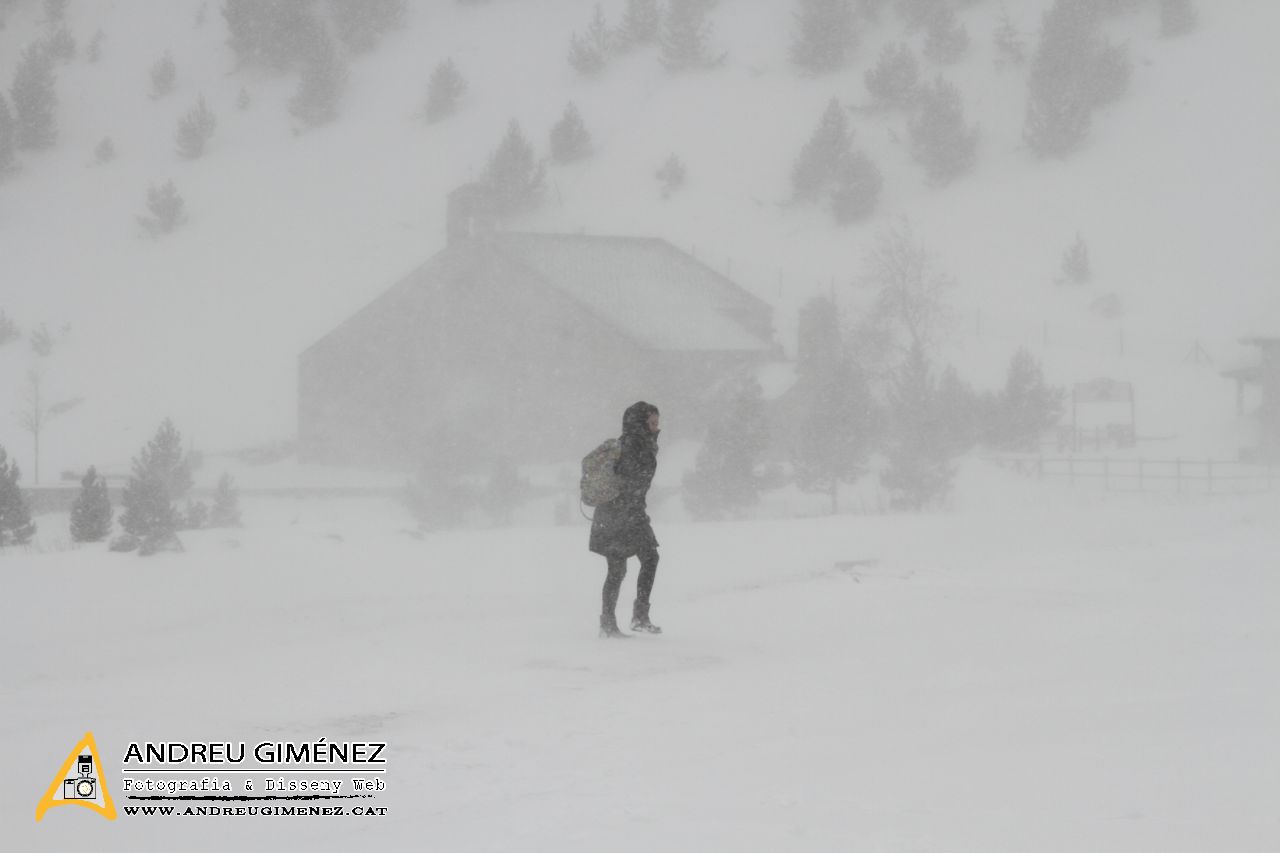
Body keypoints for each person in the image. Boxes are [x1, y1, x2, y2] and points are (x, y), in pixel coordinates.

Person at [589, 401, 662, 638]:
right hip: (618, 516)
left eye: (657, 423)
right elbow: (631, 483)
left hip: (626, 514)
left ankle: (632, 618)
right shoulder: (633, 448)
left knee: (646, 559)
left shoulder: (639, 445)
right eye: (652, 423)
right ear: (641, 424)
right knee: (619, 568)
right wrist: (631, 510)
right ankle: (612, 623)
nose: (656, 427)